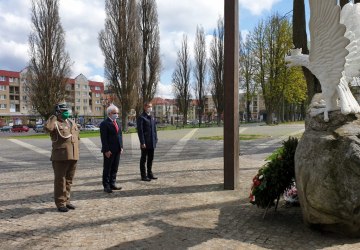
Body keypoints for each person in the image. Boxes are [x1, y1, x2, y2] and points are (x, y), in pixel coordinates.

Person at [44, 102, 80, 212]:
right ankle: (60, 203)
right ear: (58, 112)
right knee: (60, 180)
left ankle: (67, 201)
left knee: (69, 180)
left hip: (73, 155)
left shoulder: (71, 122)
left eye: (67, 111)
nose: (66, 112)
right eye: (64, 111)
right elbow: (47, 128)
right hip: (60, 156)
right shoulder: (55, 123)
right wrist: (53, 116)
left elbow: (76, 137)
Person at [100, 104, 123, 193]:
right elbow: (104, 138)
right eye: (115, 113)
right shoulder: (104, 124)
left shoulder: (117, 122)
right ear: (109, 113)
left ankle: (112, 183)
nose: (116, 114)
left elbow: (120, 135)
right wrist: (106, 150)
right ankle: (106, 185)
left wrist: (121, 146)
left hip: (117, 149)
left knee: (115, 168)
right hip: (109, 150)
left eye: (117, 113)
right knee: (107, 168)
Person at [137, 102, 158, 181]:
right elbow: (140, 131)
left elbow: (154, 129)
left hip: (152, 142)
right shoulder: (141, 117)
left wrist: (156, 139)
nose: (150, 108)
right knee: (143, 159)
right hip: (145, 143)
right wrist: (142, 142)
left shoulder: (152, 117)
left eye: (151, 106)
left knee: (151, 158)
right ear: (145, 107)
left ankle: (150, 173)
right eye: (149, 106)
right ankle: (143, 175)